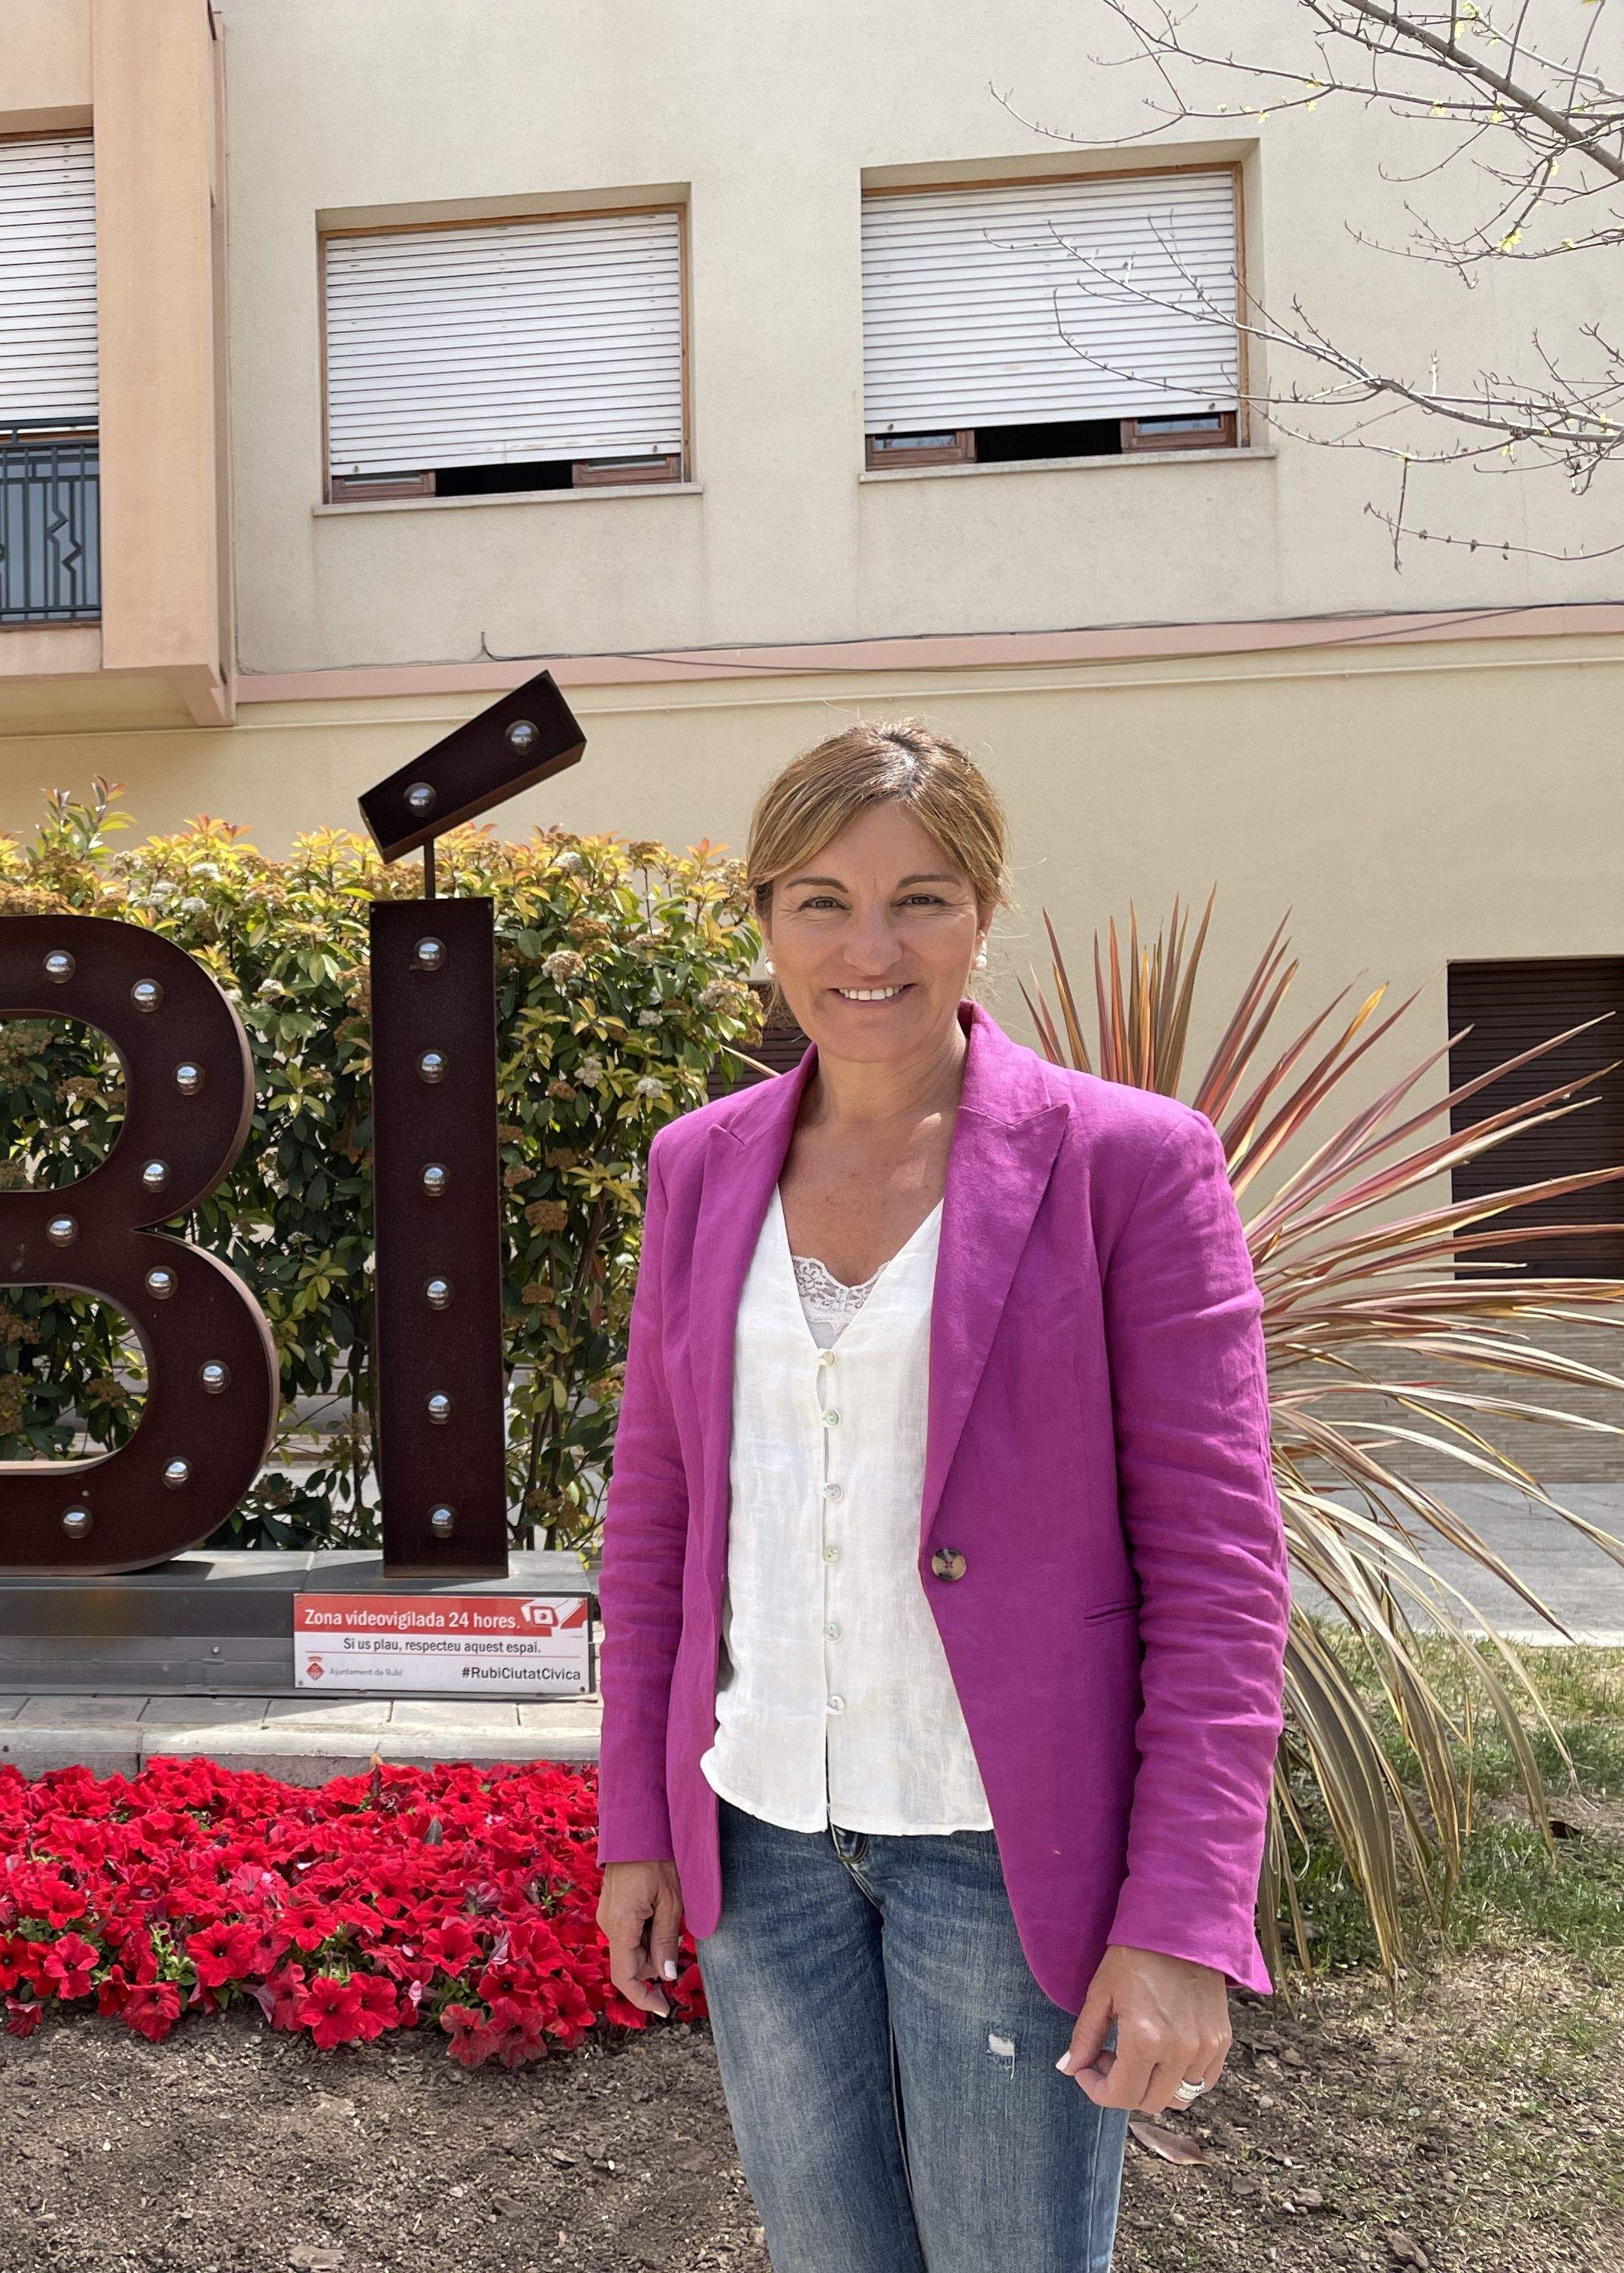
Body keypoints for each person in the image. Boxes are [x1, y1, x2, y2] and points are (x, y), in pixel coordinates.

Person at [593, 721, 1288, 2273]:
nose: (869, 946)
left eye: (919, 898)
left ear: (984, 913)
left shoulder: (1131, 1165)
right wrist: (638, 1819)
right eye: (821, 899)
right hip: (762, 1840)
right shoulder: (700, 1167)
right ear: (765, 918)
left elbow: (1223, 1575)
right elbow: (657, 1522)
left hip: (1000, 1845)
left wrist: (1179, 1921)